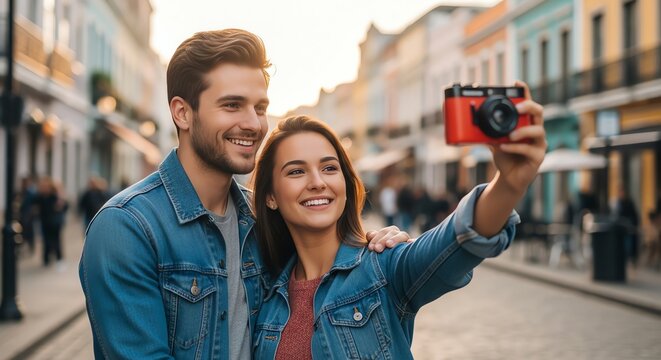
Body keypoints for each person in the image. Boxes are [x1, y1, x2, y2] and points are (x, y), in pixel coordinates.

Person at [79, 29, 408, 359]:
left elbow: (324, 281)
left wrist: (375, 245)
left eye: (260, 107)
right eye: (232, 105)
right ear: (182, 113)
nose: (254, 124)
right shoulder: (127, 229)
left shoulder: (263, 219)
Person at [251, 82, 546, 359]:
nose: (317, 182)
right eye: (296, 172)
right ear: (270, 196)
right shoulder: (262, 296)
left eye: (329, 168)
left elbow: (458, 239)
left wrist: (508, 185)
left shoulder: (384, 267)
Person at [36, 177, 69, 267]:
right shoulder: (40, 197)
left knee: (56, 240)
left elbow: (65, 207)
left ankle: (59, 259)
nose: (45, 188)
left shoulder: (54, 196)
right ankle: (46, 259)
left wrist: (60, 204)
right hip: (45, 222)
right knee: (46, 241)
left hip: (55, 222)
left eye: (46, 186)